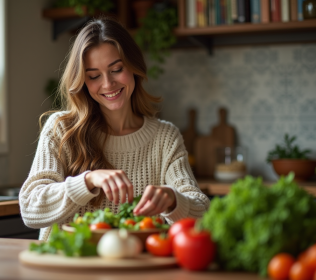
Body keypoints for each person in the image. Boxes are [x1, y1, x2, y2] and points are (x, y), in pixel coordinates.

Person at [19, 17, 210, 241]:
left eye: (116, 69)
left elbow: (203, 214)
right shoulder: (62, 129)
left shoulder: (165, 138)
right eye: (93, 76)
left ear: (134, 67)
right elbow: (30, 209)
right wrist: (88, 180)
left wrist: (174, 199)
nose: (108, 84)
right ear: (82, 81)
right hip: (69, 268)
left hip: (136, 270)